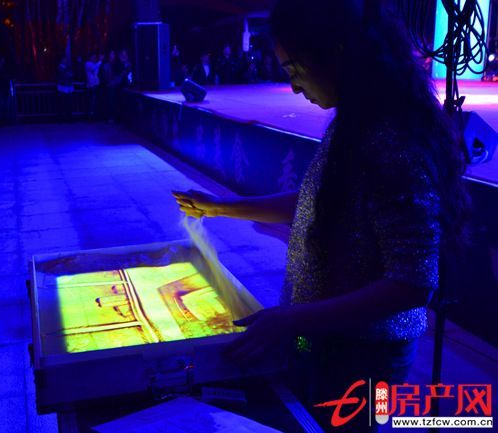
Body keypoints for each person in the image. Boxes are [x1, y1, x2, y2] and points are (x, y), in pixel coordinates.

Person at [173, 0, 468, 431]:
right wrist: (222, 207)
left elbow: (412, 283)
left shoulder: (393, 142)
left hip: (366, 359)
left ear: (337, 51)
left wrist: (290, 319)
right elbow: (322, 201)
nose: (294, 87)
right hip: (324, 342)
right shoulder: (354, 121)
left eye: (296, 70)